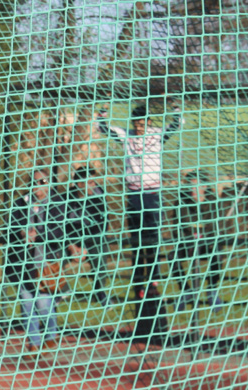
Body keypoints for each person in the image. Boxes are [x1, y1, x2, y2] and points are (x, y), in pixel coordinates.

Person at [96, 101, 181, 343]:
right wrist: (102, 111)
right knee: (137, 240)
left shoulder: (156, 135)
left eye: (143, 123)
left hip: (153, 194)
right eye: (136, 123)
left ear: (150, 123)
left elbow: (175, 125)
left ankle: (152, 277)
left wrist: (175, 107)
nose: (139, 127)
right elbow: (103, 128)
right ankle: (139, 277)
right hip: (134, 195)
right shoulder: (127, 136)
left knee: (152, 238)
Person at [4, 169, 69, 352]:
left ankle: (51, 335)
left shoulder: (57, 204)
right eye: (34, 183)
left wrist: (38, 234)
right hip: (23, 263)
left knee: (43, 304)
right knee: (26, 303)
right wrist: (23, 233)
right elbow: (10, 227)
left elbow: (59, 232)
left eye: (43, 182)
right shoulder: (20, 204)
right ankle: (33, 342)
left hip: (46, 262)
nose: (38, 187)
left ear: (49, 184)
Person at [168, 170, 226, 311]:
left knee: (218, 255)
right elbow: (177, 225)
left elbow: (216, 227)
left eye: (197, 186)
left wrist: (205, 237)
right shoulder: (181, 201)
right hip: (188, 244)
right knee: (172, 256)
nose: (194, 189)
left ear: (205, 186)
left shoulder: (213, 202)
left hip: (207, 245)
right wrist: (188, 239)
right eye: (191, 186)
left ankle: (211, 290)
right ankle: (186, 290)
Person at [58, 166, 114, 307]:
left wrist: (85, 246)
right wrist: (71, 245)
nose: (94, 185)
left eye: (95, 182)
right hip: (71, 238)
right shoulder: (65, 198)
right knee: (53, 252)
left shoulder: (99, 197)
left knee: (101, 251)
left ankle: (100, 291)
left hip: (92, 237)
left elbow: (102, 225)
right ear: (80, 184)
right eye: (91, 182)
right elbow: (60, 225)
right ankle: (61, 289)